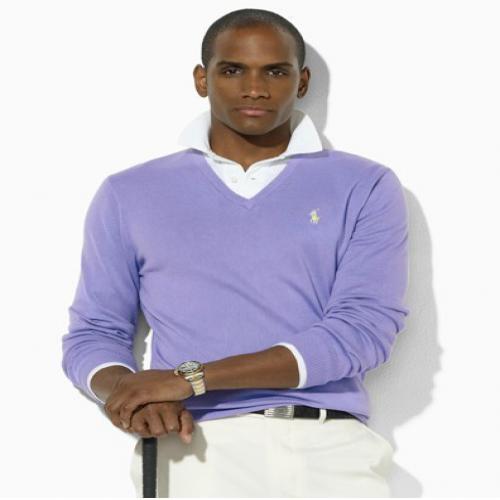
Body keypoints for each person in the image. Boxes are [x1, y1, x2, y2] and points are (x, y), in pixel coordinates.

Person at [61, 7, 410, 498]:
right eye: (232, 70)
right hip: (193, 448)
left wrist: (190, 380)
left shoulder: (363, 184)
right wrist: (130, 393)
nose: (255, 88)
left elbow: (362, 331)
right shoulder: (130, 192)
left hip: (327, 448)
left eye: (275, 71)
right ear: (202, 79)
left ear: (302, 81)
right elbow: (95, 332)